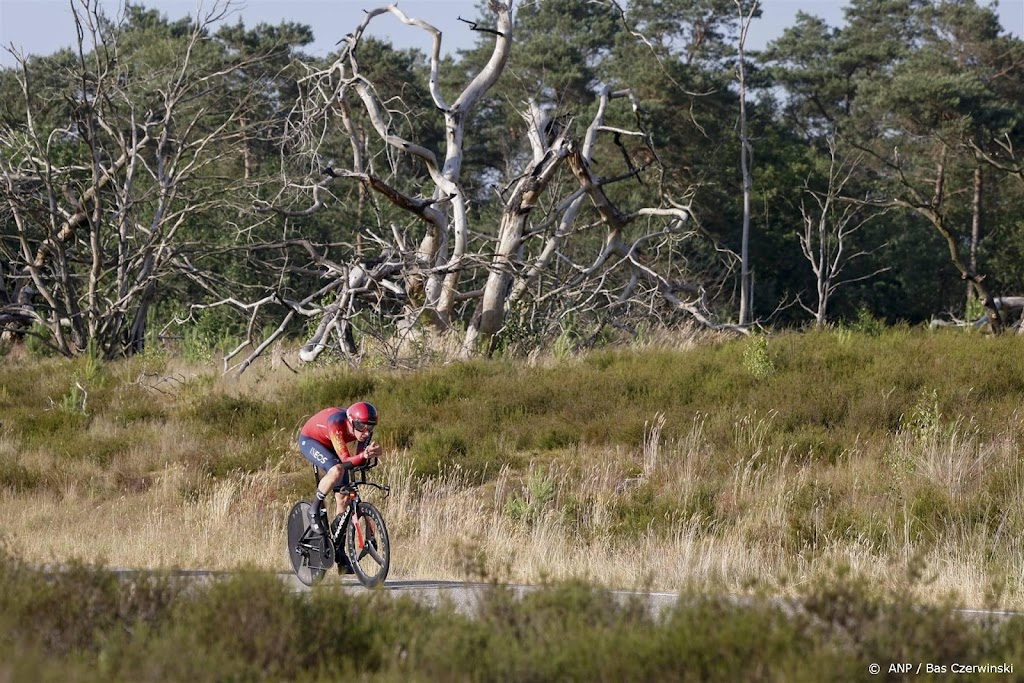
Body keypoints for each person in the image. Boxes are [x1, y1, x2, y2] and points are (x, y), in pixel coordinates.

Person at [298, 401, 382, 533]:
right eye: (361, 426)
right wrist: (364, 455)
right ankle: (314, 510)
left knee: (343, 498)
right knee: (336, 469)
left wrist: (370, 454)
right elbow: (346, 461)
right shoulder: (336, 422)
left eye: (370, 427)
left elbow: (359, 460)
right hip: (311, 440)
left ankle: (338, 547)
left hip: (332, 442)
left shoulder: (364, 431)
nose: (366, 432)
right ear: (351, 422)